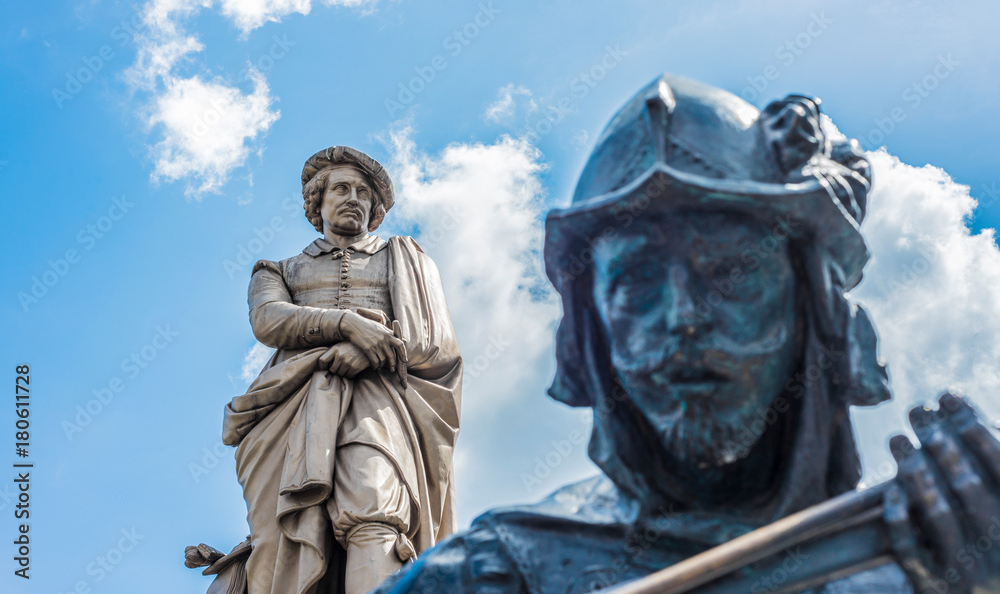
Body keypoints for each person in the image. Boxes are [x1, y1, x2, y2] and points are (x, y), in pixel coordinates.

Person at [371, 75, 1000, 593]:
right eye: (638, 281)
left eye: (731, 272)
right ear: (592, 332)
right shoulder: (488, 579)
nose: (683, 317)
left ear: (813, 307)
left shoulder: (933, 561)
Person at [191, 146, 463, 594]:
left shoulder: (407, 259)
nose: (353, 197)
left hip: (381, 401)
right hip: (289, 409)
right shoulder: (277, 270)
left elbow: (435, 339)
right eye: (341, 188)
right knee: (279, 545)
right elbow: (269, 321)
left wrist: (370, 353)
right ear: (317, 202)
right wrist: (347, 325)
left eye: (363, 192)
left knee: (375, 509)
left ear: (376, 208)